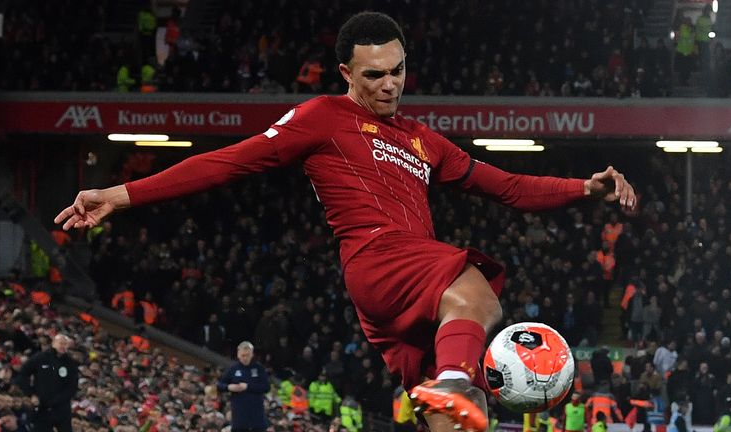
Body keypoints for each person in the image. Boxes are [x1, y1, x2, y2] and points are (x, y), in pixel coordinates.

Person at [54, 12, 637, 431]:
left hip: (393, 297)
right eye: (373, 75)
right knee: (478, 298)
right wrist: (122, 193)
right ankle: (455, 378)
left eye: (397, 71)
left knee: (461, 422)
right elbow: (230, 161)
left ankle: (454, 388)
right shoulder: (322, 118)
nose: (389, 84)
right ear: (345, 73)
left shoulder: (421, 139)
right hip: (381, 258)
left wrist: (583, 187)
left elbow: (506, 187)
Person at [15, 333, 78, 432]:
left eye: (66, 344)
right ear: (53, 343)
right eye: (61, 343)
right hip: (42, 408)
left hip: (62, 409)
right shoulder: (40, 357)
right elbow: (22, 375)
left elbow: (72, 387)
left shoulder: (70, 364)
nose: (63, 346)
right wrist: (31, 394)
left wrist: (59, 400)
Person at [216, 341, 270, 432]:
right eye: (243, 355)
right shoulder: (233, 369)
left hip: (257, 415)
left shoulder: (259, 369)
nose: (245, 358)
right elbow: (220, 385)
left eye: (247, 355)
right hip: (239, 415)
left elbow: (266, 387)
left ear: (252, 354)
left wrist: (247, 387)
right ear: (238, 354)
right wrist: (229, 387)